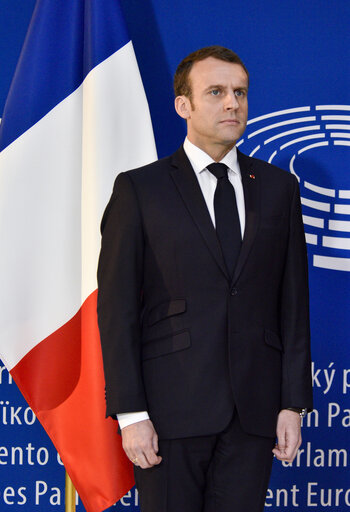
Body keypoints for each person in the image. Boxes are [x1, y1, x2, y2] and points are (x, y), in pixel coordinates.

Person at [97, 45, 313, 512]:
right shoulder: (139, 189)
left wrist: (292, 403)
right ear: (184, 105)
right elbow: (116, 311)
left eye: (240, 92)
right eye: (215, 92)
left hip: (254, 415)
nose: (232, 103)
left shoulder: (279, 189)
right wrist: (131, 414)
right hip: (168, 414)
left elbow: (293, 305)